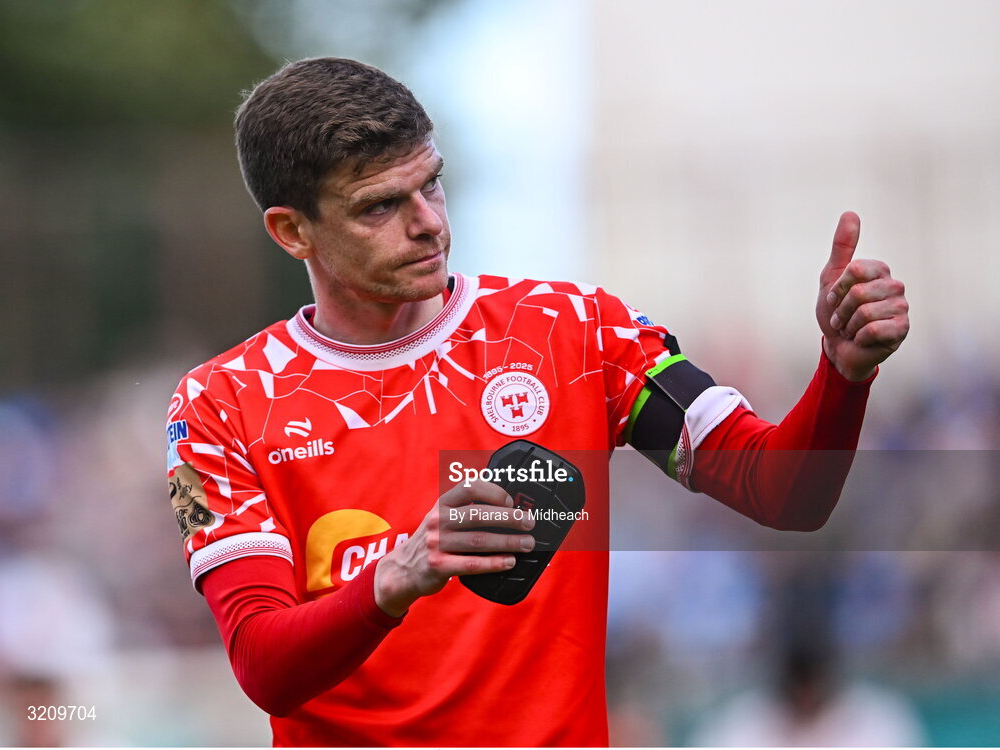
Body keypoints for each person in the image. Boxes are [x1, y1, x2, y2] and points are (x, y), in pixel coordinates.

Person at [164, 57, 909, 746]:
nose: (427, 221)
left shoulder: (577, 333)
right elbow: (263, 665)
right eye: (380, 206)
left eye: (432, 183)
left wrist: (841, 378)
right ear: (292, 230)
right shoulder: (218, 405)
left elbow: (780, 491)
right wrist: (395, 579)